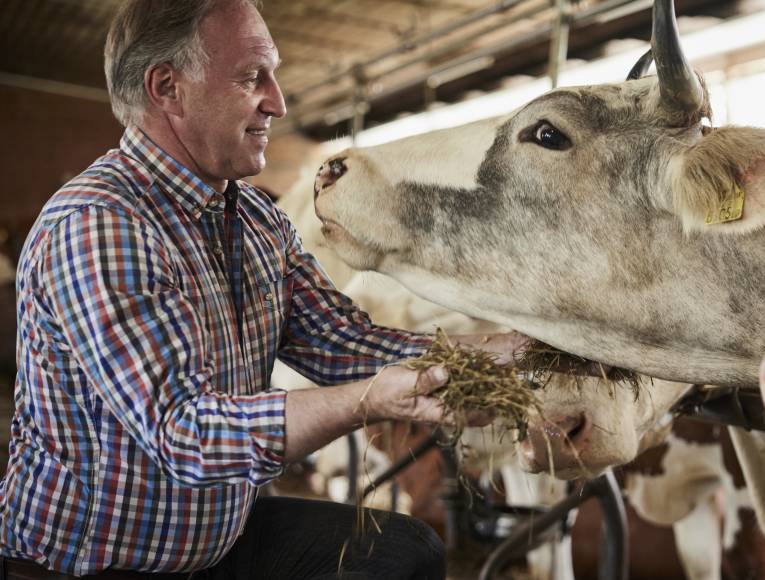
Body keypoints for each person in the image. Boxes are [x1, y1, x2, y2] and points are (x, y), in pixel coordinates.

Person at [0, 1, 525, 578]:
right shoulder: (99, 223)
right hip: (96, 563)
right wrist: (367, 401)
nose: (278, 101)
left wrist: (490, 356)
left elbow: (338, 342)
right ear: (168, 88)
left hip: (218, 539)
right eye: (254, 77)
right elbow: (185, 431)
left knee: (404, 552)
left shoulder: (253, 215)